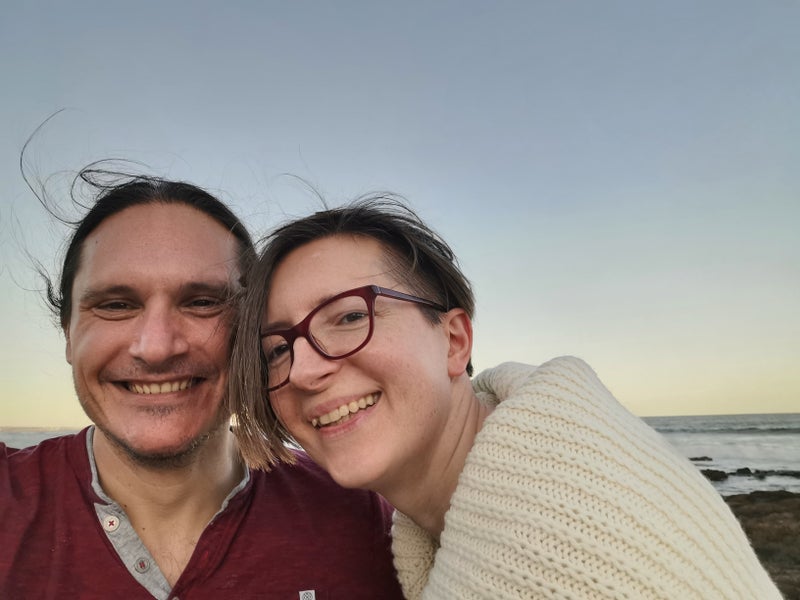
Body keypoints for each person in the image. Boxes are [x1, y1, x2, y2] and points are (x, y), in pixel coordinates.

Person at [229, 195, 783, 599]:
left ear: (454, 341)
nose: (302, 371)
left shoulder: (576, 545)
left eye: (350, 317)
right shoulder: (460, 510)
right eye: (276, 350)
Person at [0, 171, 404, 599]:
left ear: (253, 333)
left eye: (203, 302)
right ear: (68, 333)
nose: (157, 347)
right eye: (116, 305)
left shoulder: (367, 515)